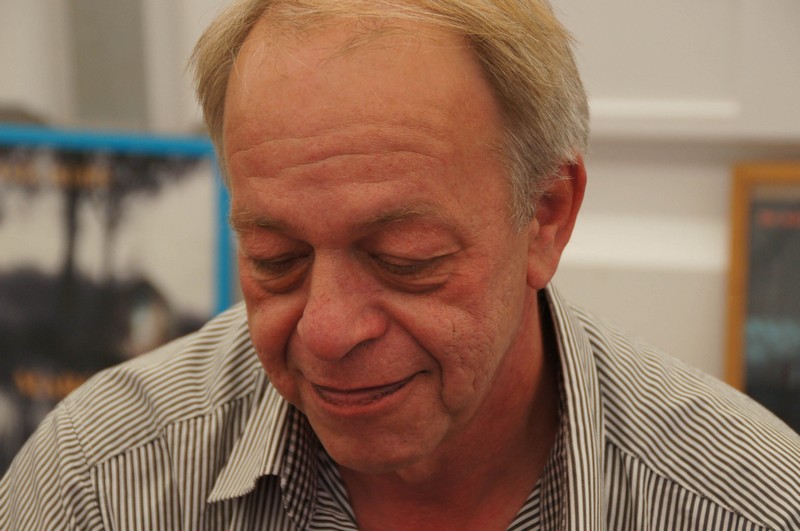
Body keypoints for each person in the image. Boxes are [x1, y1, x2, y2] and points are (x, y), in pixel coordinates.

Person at [2, 0, 799, 529]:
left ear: (547, 215)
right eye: (276, 259)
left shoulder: (744, 506)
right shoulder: (99, 485)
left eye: (404, 260)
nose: (327, 331)